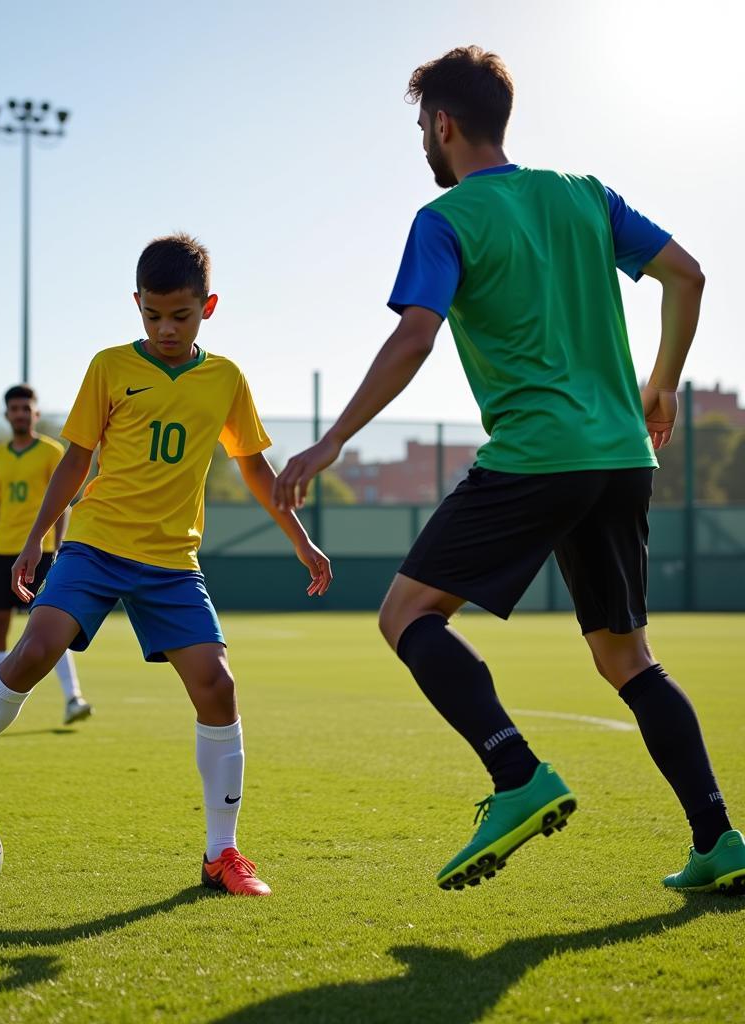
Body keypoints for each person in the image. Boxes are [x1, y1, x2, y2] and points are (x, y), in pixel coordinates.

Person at [274, 46, 744, 894]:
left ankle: (515, 774)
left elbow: (415, 335)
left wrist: (332, 439)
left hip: (537, 456)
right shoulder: (585, 196)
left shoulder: (445, 217)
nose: (424, 139)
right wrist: (663, 383)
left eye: (423, 125)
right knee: (628, 659)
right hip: (622, 457)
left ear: (443, 125)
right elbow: (688, 275)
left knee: (407, 614)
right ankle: (719, 838)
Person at [0, 233, 332, 895]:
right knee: (36, 649)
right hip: (94, 545)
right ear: (137, 305)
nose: (165, 328)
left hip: (171, 561)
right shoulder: (107, 367)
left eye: (180, 316)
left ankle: (222, 854)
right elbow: (76, 459)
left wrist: (300, 538)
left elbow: (254, 468)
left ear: (208, 306)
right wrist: (38, 536)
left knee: (218, 688)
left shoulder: (226, 380)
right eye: (152, 315)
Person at [0, 383, 92, 725]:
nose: (20, 414)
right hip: (1, 552)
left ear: (35, 413)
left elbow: (65, 503)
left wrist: (56, 548)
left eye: (26, 408)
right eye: (14, 408)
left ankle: (74, 697)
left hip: (41, 552)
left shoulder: (53, 451)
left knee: (51, 629)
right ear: (7, 414)